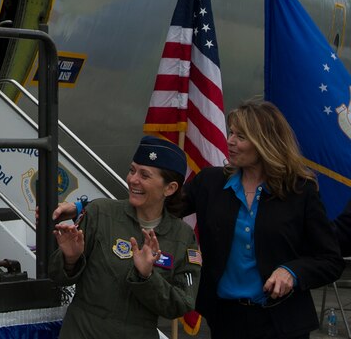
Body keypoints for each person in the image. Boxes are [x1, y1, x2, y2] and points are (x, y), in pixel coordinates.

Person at [55, 101, 342, 339]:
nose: (229, 141)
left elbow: (329, 260)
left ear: (265, 142)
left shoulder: (299, 192)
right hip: (226, 320)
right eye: (230, 132)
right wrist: (83, 207)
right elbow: (152, 204)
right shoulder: (211, 183)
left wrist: (291, 272)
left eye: (240, 136)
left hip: (283, 323)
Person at [48, 135, 201, 338]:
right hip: (83, 331)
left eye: (144, 175)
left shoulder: (182, 237)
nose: (132, 179)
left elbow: (182, 304)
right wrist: (70, 259)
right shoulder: (100, 213)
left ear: (170, 188)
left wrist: (147, 277)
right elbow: (56, 277)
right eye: (132, 170)